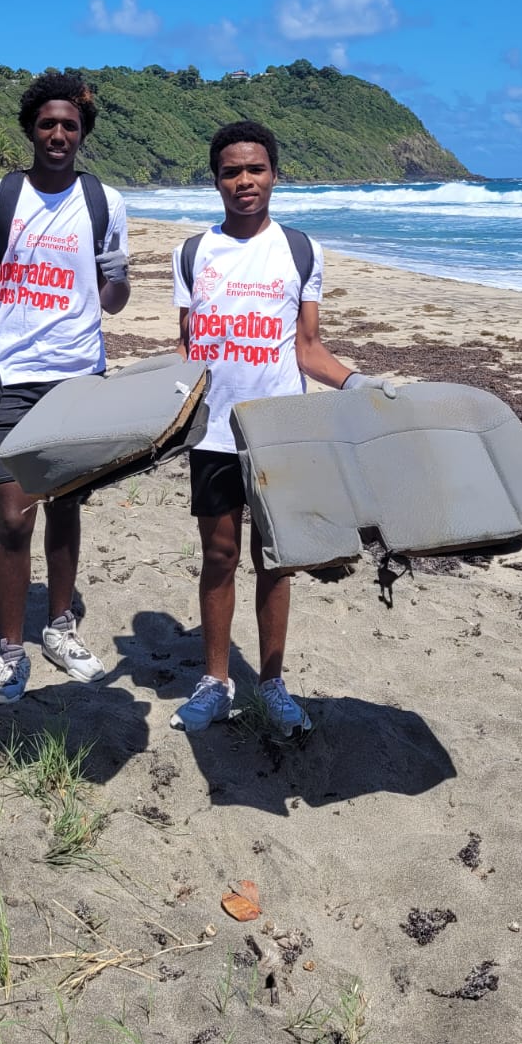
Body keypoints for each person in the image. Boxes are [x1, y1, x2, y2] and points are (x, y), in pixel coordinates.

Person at [170, 120, 394, 738]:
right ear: (216, 180)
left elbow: (308, 348)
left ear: (274, 175)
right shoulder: (191, 253)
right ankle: (215, 682)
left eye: (256, 169)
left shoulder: (301, 250)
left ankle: (271, 683)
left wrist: (358, 383)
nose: (244, 180)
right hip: (213, 434)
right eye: (231, 171)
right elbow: (188, 350)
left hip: (281, 435)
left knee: (276, 561)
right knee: (218, 556)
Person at [0, 71, 130, 706]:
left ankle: (60, 629)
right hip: (8, 375)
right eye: (47, 124)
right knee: (13, 520)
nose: (58, 134)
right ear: (31, 130)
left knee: (65, 508)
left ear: (83, 133)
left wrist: (119, 277)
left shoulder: (105, 202)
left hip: (78, 378)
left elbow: (113, 300)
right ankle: (11, 652)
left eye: (70, 125)